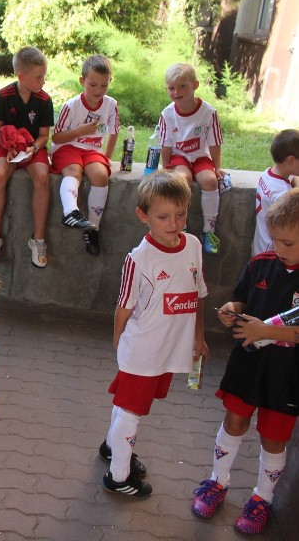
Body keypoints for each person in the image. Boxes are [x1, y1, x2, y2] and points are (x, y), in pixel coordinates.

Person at [191, 189, 299, 535]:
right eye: (275, 240)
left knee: (273, 437)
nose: (279, 249)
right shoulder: (260, 264)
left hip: (287, 376)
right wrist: (231, 311)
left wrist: (267, 331)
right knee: (234, 421)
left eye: (289, 243)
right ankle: (216, 482)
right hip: (247, 367)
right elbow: (241, 300)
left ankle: (261, 500)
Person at [100, 170, 208, 497]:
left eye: (180, 214)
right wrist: (119, 340)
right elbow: (123, 305)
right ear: (143, 216)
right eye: (163, 217)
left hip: (168, 349)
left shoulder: (192, 245)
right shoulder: (140, 258)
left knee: (127, 406)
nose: (173, 223)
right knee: (132, 411)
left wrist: (199, 337)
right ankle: (118, 476)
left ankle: (112, 446)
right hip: (143, 350)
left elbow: (198, 294)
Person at [0, 46, 53, 268]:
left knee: (43, 176)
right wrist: (8, 145)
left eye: (44, 76)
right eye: (39, 77)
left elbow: (44, 136)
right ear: (21, 76)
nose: (43, 81)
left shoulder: (44, 99)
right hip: (7, 147)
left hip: (33, 148)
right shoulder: (3, 96)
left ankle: (38, 240)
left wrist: (33, 148)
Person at [50, 54, 120, 256]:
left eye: (103, 86)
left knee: (100, 175)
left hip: (92, 150)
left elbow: (114, 132)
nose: (98, 90)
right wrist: (80, 131)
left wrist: (106, 156)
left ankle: (92, 229)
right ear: (82, 81)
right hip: (68, 147)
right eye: (93, 84)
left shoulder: (111, 104)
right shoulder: (71, 106)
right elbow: (57, 138)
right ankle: (70, 211)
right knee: (73, 171)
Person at [158, 63, 224, 255]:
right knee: (182, 180)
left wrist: (217, 167)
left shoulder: (208, 112)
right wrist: (164, 168)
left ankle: (209, 233)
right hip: (179, 157)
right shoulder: (167, 114)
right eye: (171, 88)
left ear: (195, 85)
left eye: (182, 86)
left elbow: (215, 142)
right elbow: (166, 144)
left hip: (200, 157)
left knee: (210, 180)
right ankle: (182, 227)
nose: (176, 92)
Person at [252, 128, 299, 255]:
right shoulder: (282, 194)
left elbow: (292, 178)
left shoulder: (267, 174)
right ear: (290, 160)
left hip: (260, 246)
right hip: (274, 254)